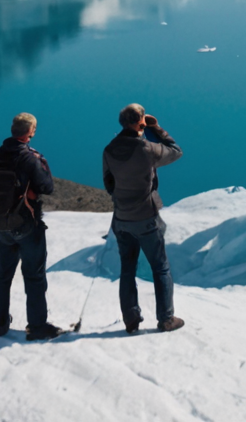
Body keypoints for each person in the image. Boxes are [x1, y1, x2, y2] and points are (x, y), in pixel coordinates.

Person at [102, 103, 184, 333]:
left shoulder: (109, 150)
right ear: (140, 121)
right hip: (146, 217)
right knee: (161, 269)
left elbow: (108, 184)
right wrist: (156, 128)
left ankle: (131, 319)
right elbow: (176, 151)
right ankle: (166, 319)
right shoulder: (147, 149)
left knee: (127, 269)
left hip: (121, 219)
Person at [0, 112, 62, 341]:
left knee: (2, 275)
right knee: (34, 276)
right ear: (31, 132)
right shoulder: (29, 158)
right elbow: (47, 187)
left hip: (2, 226)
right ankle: (37, 326)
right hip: (27, 225)